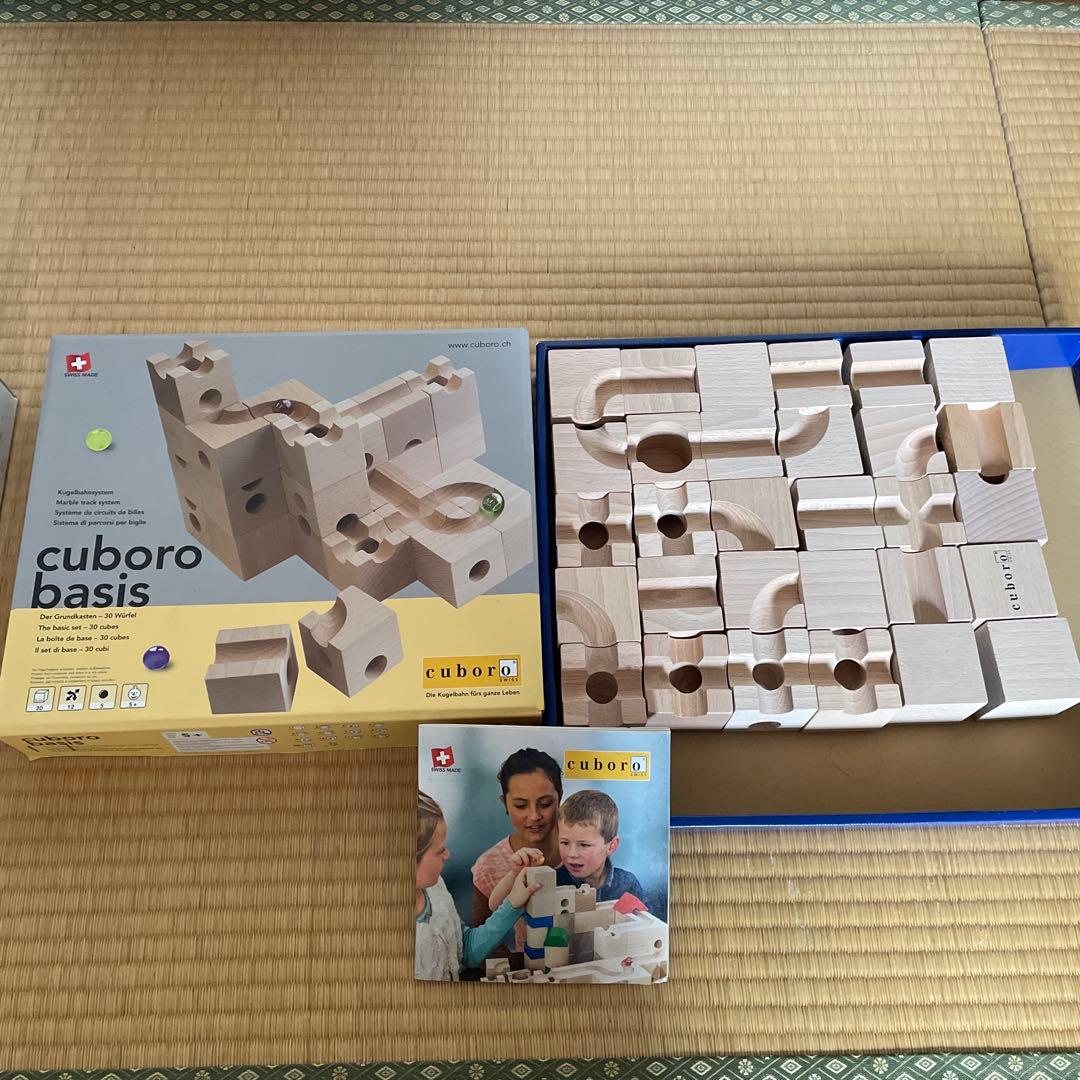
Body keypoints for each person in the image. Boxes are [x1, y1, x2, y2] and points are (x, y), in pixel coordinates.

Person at [415, 791, 542, 981]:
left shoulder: (436, 889)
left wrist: (513, 904)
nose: (447, 854)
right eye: (440, 850)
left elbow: (465, 950)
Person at [470, 747, 563, 935]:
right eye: (521, 805)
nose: (534, 816)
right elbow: (481, 940)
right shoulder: (487, 868)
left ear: (560, 797)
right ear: (505, 803)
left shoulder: (585, 844)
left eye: (545, 804)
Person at [554, 789, 648, 906]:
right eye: (564, 842)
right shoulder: (552, 883)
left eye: (584, 845)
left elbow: (645, 917)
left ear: (611, 846)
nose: (571, 854)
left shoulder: (627, 884)